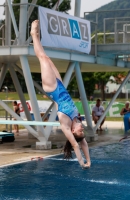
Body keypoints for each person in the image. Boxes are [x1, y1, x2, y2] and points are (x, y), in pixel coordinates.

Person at [30, 20, 91, 169]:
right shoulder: (77, 118)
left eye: (80, 131)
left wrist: (82, 163)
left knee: (43, 58)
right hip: (60, 86)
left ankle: (34, 35)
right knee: (47, 58)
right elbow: (84, 142)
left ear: (72, 131)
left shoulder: (66, 124)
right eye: (82, 130)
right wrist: (90, 160)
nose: (82, 129)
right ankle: (36, 37)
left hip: (52, 88)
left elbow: (77, 145)